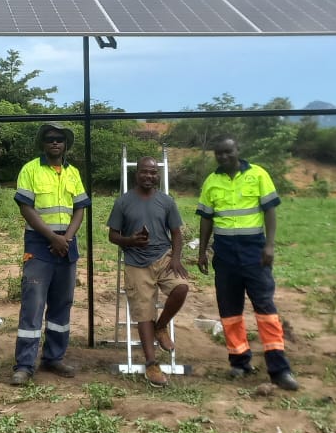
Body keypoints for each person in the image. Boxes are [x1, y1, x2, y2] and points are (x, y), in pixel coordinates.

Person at [196, 137, 299, 390]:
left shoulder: (258, 175)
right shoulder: (212, 181)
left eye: (227, 151)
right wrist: (201, 251)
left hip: (254, 250)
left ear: (237, 150)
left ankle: (279, 368)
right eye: (219, 153)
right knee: (229, 311)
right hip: (225, 252)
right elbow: (206, 219)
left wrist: (270, 245)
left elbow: (270, 212)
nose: (223, 156)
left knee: (265, 308)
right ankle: (239, 362)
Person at [10, 122, 91, 386]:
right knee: (33, 305)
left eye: (59, 139)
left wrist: (65, 239)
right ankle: (24, 365)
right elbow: (26, 208)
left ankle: (54, 357)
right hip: (39, 243)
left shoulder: (73, 173)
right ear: (43, 143)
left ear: (65, 144)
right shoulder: (30, 169)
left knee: (62, 303)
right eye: (50, 139)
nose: (55, 142)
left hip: (66, 245)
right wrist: (52, 237)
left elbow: (80, 208)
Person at [107, 156, 191, 387]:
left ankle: (161, 326)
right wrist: (130, 241)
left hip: (163, 257)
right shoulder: (123, 202)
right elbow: (112, 236)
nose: (149, 176)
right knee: (143, 309)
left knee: (181, 287)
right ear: (137, 174)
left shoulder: (166, 201)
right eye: (145, 172)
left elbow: (176, 233)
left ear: (158, 175)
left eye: (153, 173)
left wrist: (175, 258)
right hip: (135, 261)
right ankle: (151, 364)